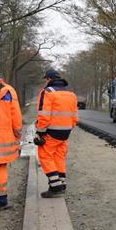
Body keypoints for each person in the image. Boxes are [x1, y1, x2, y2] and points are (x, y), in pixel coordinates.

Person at [35, 70, 78, 198]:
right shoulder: (71, 94)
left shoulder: (47, 93)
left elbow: (44, 115)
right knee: (59, 157)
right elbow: (75, 116)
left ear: (48, 79)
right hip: (66, 132)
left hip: (51, 132)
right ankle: (62, 184)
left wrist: (40, 133)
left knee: (45, 155)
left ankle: (55, 187)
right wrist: (68, 128)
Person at [0, 76, 23, 209]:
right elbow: (16, 115)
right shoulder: (8, 91)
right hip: (2, 137)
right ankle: (1, 200)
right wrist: (18, 132)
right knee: (0, 167)